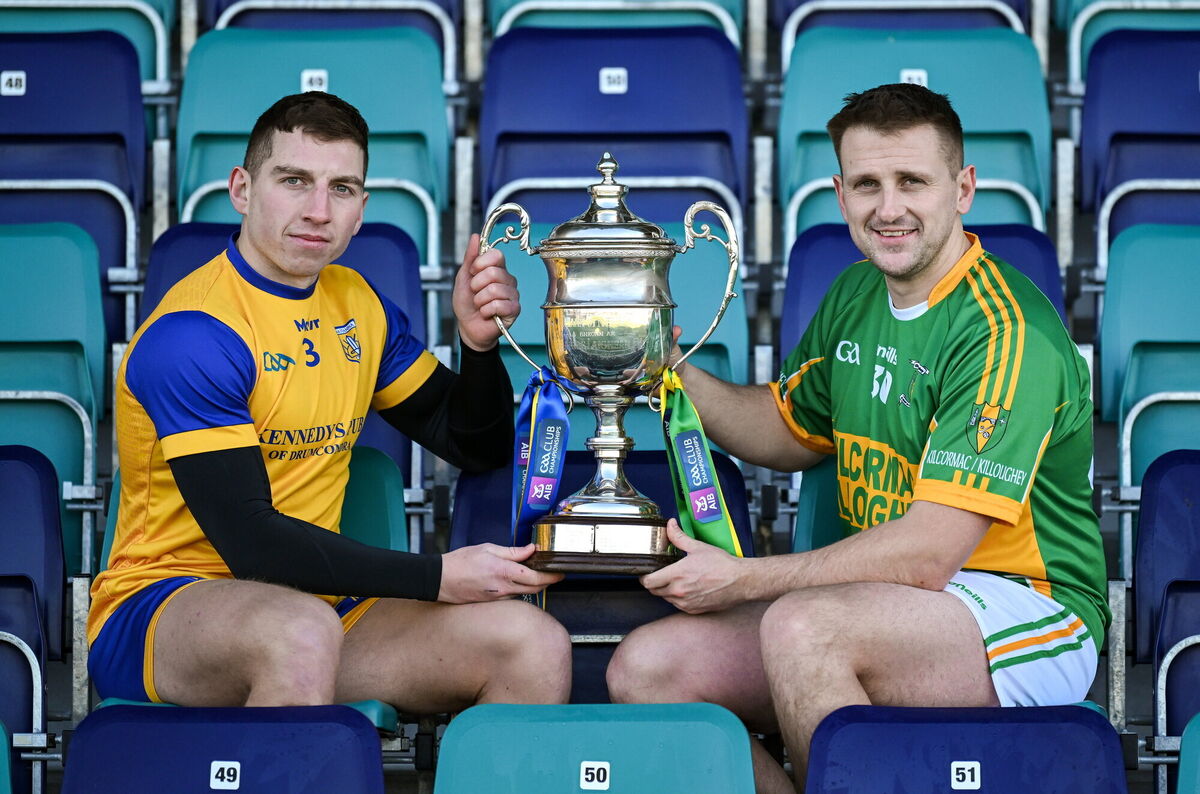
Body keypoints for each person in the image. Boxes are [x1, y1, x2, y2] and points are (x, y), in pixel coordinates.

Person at [606, 83, 1108, 792]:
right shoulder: (855, 292)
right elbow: (788, 428)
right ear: (840, 195)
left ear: (963, 189)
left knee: (805, 630)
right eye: (867, 184)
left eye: (913, 181)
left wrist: (744, 580)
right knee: (647, 671)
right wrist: (668, 373)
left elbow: (930, 555)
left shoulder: (1004, 332)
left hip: (1026, 611)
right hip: (882, 600)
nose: (889, 207)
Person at [88, 92, 572, 711]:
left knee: (529, 641)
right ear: (242, 188)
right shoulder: (193, 332)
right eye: (294, 181)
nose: (319, 211)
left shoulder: (356, 303)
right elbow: (251, 542)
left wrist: (477, 347)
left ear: (362, 208)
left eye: (341, 189)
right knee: (295, 631)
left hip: (318, 606)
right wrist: (439, 577)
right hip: (164, 608)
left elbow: (473, 445)